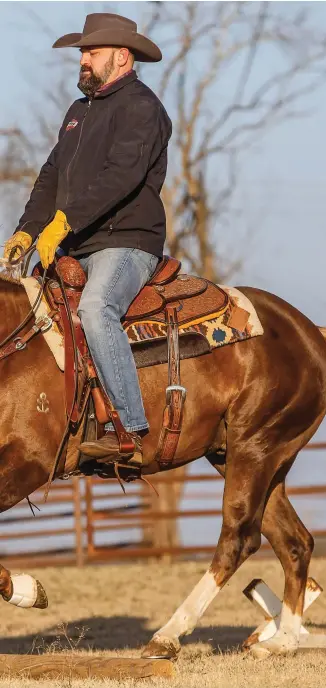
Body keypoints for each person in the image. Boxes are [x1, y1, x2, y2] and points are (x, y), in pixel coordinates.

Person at [3, 13, 173, 466]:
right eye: (82, 51)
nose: (82, 59)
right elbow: (51, 175)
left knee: (97, 310)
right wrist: (27, 229)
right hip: (77, 241)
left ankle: (132, 432)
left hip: (127, 242)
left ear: (121, 56)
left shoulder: (143, 108)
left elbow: (122, 178)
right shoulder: (79, 112)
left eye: (90, 52)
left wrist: (65, 221)